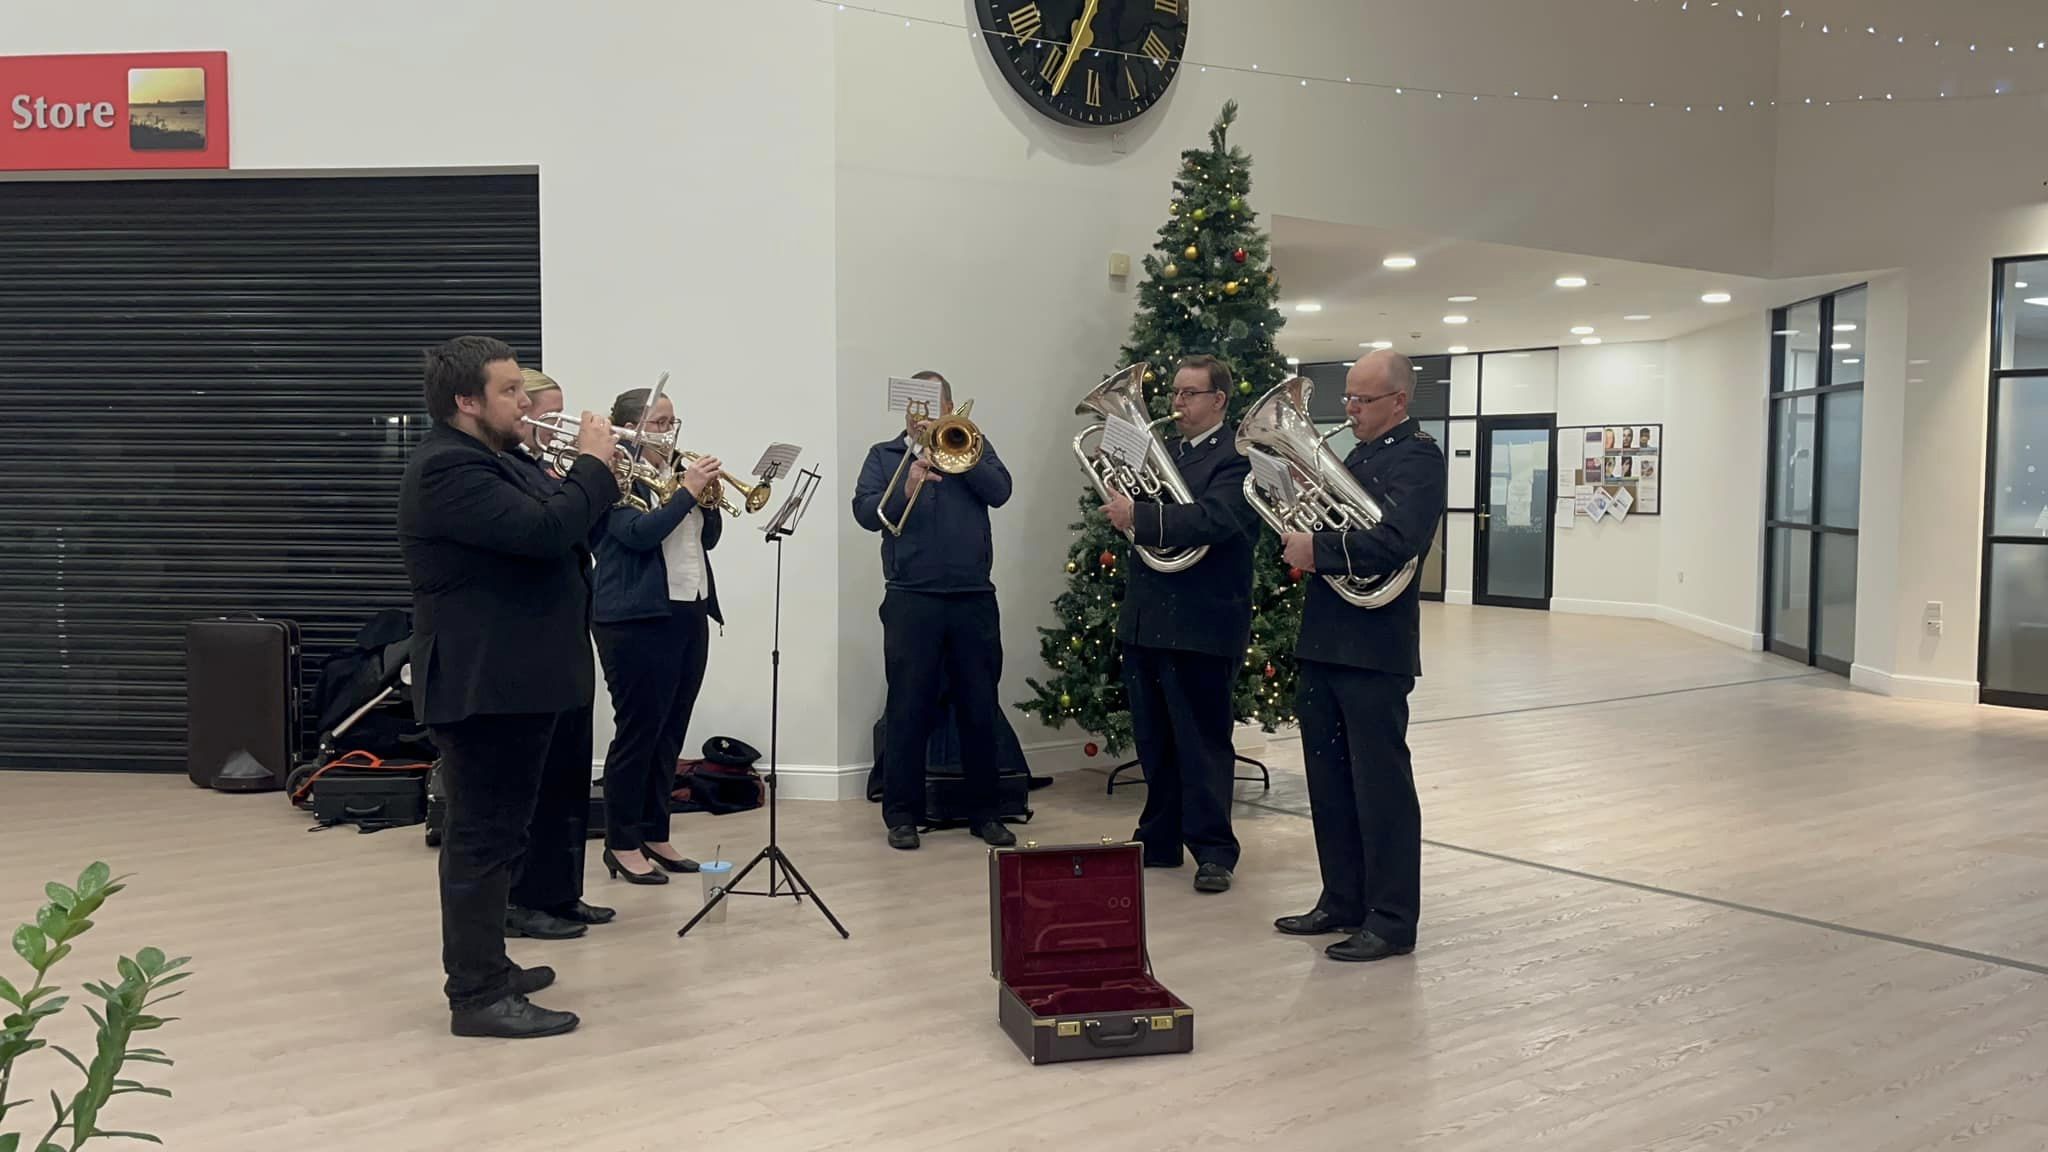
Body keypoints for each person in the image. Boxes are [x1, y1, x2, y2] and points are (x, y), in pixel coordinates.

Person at [397, 335, 618, 1039]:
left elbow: (569, 520)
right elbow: (548, 531)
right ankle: (477, 994)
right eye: (511, 392)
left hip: (520, 679)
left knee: (504, 834)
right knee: (481, 840)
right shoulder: (447, 470)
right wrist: (591, 462)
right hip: (483, 682)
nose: (527, 404)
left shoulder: (499, 459)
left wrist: (589, 477)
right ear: (467, 401)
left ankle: (490, 961)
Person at [1275, 348, 1446, 963]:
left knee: (1381, 786)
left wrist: (1317, 548)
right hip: (1327, 636)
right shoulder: (1360, 455)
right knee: (1329, 779)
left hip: (1375, 646)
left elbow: (1398, 540)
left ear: (1398, 401)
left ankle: (1393, 918)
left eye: (1361, 400)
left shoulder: (1419, 457)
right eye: (1346, 398)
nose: (1349, 410)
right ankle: (1342, 899)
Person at [1100, 355, 1259, 893]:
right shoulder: (1164, 451)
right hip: (1149, 614)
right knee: (1155, 739)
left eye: (1190, 394)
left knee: (1203, 741)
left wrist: (1139, 516)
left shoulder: (1239, 456)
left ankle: (1215, 850)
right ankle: (1159, 837)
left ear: (1219, 400)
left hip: (1204, 618)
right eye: (1175, 393)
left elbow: (1216, 518)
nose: (1177, 404)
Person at [851, 370, 1016, 850]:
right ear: (904, 408)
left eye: (933, 403)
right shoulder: (884, 457)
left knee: (980, 705)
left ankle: (986, 812)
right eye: (915, 404)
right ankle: (902, 813)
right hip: (911, 596)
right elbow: (864, 513)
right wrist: (907, 481)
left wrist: (963, 459)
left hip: (973, 597)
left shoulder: (971, 444)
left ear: (950, 407)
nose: (923, 413)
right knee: (908, 706)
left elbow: (1001, 492)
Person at [496, 368, 614, 942]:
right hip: (531, 647)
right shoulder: (510, 473)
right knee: (535, 785)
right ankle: (523, 901)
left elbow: (583, 538)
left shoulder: (551, 471)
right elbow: (544, 534)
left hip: (569, 635)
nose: (553, 423)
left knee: (569, 773)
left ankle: (562, 892)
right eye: (541, 410)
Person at [590, 386, 725, 884]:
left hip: (688, 608)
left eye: (672, 421)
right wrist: (688, 491)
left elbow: (705, 540)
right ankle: (621, 842)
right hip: (634, 618)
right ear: (631, 427)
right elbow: (637, 535)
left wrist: (705, 501)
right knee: (639, 731)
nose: (670, 431)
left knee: (670, 731)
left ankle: (655, 830)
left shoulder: (672, 474)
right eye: (660, 422)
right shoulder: (614, 474)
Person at [518, 368, 565, 472]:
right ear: (522, 413)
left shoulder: (547, 468)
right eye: (552, 415)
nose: (560, 425)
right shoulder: (503, 465)